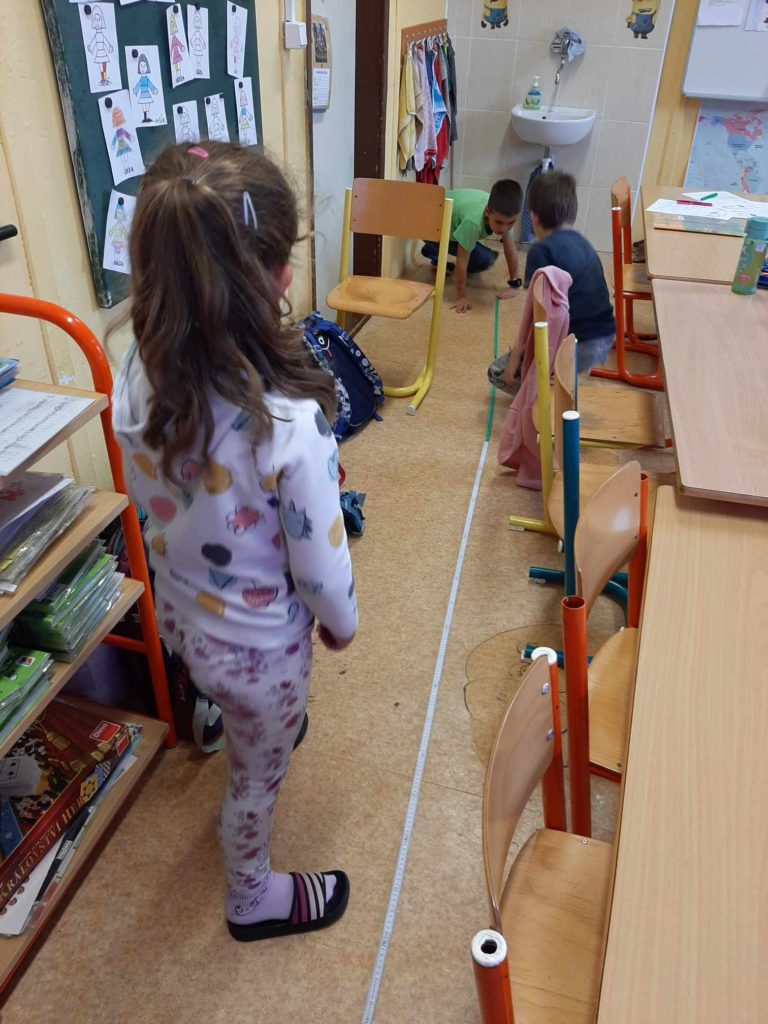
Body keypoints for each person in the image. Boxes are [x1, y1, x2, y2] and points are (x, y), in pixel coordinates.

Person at [111, 143, 357, 942]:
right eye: (285, 259)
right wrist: (341, 624)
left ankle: (229, 716)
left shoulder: (133, 371)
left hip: (182, 614)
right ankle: (252, 897)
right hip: (262, 651)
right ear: (266, 280)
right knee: (257, 780)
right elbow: (322, 575)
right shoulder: (287, 424)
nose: (289, 274)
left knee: (232, 699)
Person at [488, 170, 616, 390]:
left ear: (533, 217)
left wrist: (519, 353)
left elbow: (538, 316)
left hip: (577, 346)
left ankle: (547, 392)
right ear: (572, 213)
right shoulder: (583, 243)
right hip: (604, 338)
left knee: (496, 373)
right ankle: (556, 378)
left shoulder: (541, 252)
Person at [421, 180, 523, 314]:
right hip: (426, 223)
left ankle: (433, 249)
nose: (504, 228)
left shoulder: (503, 214)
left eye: (510, 223)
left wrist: (515, 284)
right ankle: (432, 249)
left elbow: (510, 251)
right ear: (487, 212)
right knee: (483, 259)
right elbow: (462, 262)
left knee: (482, 255)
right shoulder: (473, 222)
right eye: (499, 222)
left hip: (443, 216)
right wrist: (461, 296)